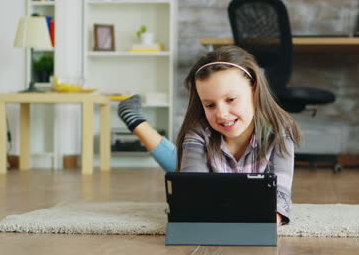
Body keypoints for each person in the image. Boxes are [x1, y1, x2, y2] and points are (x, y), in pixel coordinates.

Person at [118, 46, 301, 225]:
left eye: (231, 99)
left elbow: (281, 197)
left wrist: (269, 220)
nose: (221, 114)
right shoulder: (199, 132)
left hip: (225, 193)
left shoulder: (280, 131)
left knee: (175, 164)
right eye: (210, 105)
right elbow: (194, 192)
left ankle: (136, 122)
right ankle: (136, 122)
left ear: (254, 90)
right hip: (205, 171)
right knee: (182, 172)